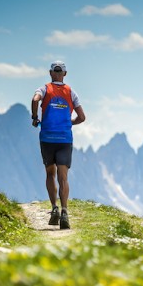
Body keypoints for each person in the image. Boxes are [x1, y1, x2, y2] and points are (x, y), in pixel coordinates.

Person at [31, 61, 86, 229]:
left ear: (50, 73)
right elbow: (82, 117)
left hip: (47, 138)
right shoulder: (72, 93)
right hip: (64, 139)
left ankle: (54, 208)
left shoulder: (44, 89)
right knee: (63, 177)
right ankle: (64, 211)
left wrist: (35, 117)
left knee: (50, 174)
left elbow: (35, 99)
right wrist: (69, 124)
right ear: (65, 74)